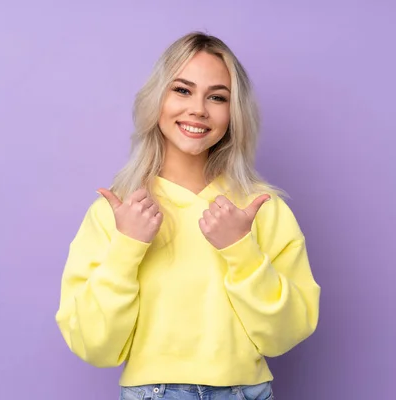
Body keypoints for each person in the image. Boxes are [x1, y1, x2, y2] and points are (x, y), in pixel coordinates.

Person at [55, 32, 321, 400]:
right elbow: (94, 346)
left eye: (217, 97)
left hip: (246, 391)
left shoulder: (261, 208)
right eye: (182, 90)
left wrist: (241, 250)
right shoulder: (117, 213)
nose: (198, 109)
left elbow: (286, 333)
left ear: (234, 112)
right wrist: (126, 249)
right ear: (156, 99)